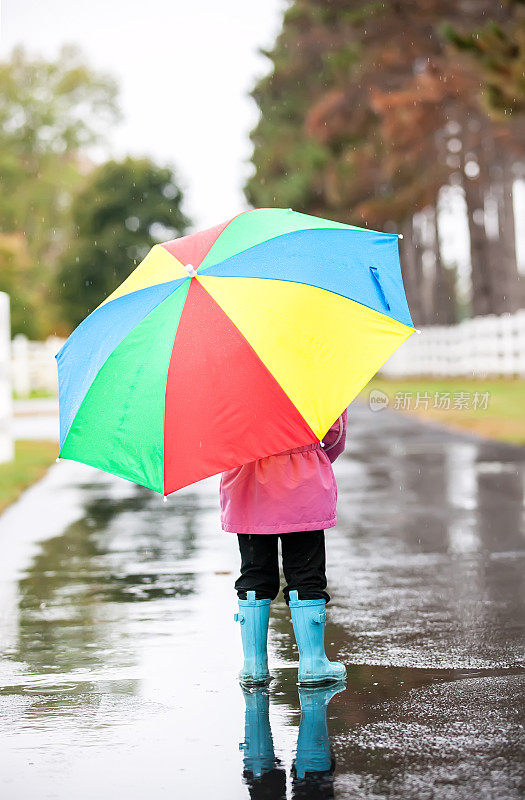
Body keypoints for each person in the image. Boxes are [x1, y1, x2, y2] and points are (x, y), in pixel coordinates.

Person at [220, 409, 348, 685]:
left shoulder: (230, 381)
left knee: (253, 572)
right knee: (306, 571)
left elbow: (217, 439)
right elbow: (335, 433)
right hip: (303, 484)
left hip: (247, 484)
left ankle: (254, 665)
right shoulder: (311, 375)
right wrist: (314, 457)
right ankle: (313, 663)